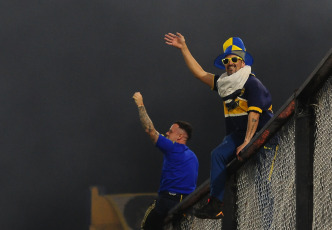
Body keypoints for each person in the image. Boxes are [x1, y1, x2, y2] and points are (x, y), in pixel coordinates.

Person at [164, 33, 274, 219]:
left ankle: (270, 221)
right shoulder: (225, 84)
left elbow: (254, 115)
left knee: (262, 182)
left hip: (262, 136)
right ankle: (216, 204)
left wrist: (247, 142)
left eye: (234, 59)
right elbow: (199, 73)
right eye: (226, 59)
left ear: (242, 62)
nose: (230, 63)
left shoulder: (252, 83)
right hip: (239, 135)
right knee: (217, 155)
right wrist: (184, 48)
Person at [132, 92, 199, 230]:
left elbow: (150, 130)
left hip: (168, 200)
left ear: (180, 136)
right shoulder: (193, 157)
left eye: (170, 131)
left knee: (147, 224)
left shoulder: (173, 148)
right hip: (187, 204)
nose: (167, 133)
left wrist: (140, 104)